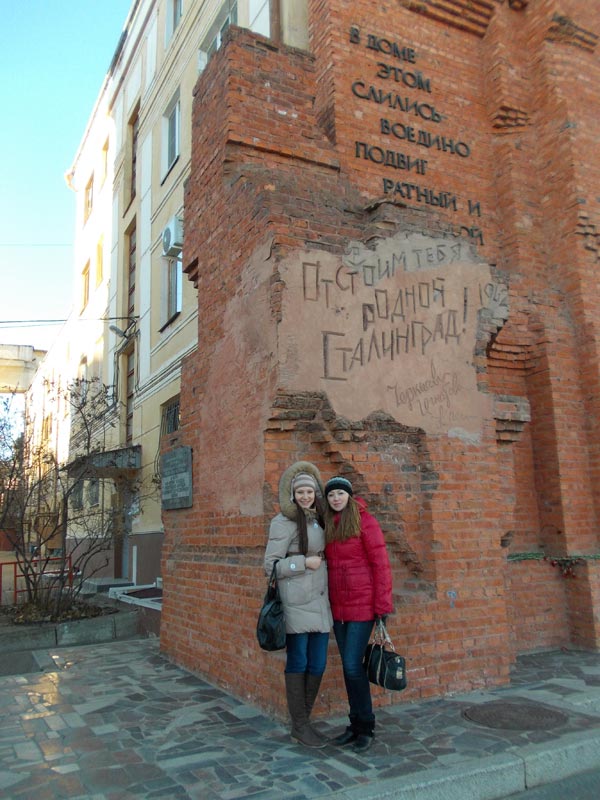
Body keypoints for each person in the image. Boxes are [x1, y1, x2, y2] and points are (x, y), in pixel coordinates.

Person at [264, 461, 332, 748]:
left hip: (320, 599)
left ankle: (304, 721)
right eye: (300, 492)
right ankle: (300, 726)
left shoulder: (320, 519)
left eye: (309, 491)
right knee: (299, 661)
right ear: (292, 495)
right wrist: (303, 562)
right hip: (296, 602)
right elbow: (270, 565)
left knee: (318, 662)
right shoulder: (283, 522)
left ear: (316, 493)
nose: (305, 496)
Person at [324, 475, 393, 753]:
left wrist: (382, 606)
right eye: (331, 495)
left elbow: (381, 565)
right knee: (348, 667)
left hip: (362, 606)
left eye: (340, 494)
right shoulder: (329, 525)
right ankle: (354, 724)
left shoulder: (366, 522)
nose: (336, 498)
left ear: (349, 496)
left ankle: (366, 726)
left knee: (353, 666)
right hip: (339, 608)